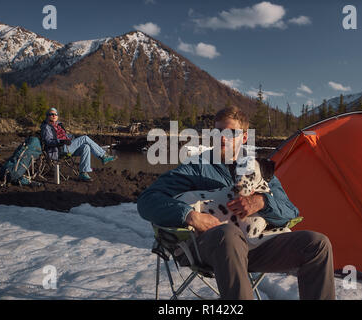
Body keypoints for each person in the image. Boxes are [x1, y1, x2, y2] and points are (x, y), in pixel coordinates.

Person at [137, 106, 336, 300]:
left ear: (244, 137)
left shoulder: (257, 169)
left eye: (231, 132)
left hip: (256, 246)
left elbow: (290, 212)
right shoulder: (196, 168)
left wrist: (263, 202)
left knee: (317, 244)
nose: (223, 137)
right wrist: (191, 216)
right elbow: (147, 200)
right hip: (206, 248)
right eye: (218, 131)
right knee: (228, 234)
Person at [40, 107, 116, 181]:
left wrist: (73, 137)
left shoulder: (59, 125)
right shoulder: (46, 127)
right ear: (47, 116)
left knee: (86, 147)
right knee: (85, 138)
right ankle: (103, 155)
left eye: (55, 114)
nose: (54, 116)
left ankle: (83, 173)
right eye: (51, 114)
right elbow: (48, 141)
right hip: (59, 150)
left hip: (68, 148)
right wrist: (61, 141)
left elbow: (65, 136)